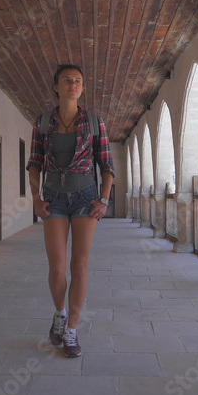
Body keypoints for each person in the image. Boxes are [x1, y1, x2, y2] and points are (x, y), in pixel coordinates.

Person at [26, 64, 115, 358]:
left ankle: (72, 331)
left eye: (77, 80)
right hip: (53, 198)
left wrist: (103, 199)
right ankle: (60, 314)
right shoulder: (42, 123)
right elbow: (35, 163)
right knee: (57, 268)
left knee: (79, 266)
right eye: (67, 80)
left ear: (82, 87)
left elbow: (107, 165)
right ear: (56, 86)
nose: (72, 84)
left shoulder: (93, 121)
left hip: (85, 198)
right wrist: (36, 198)